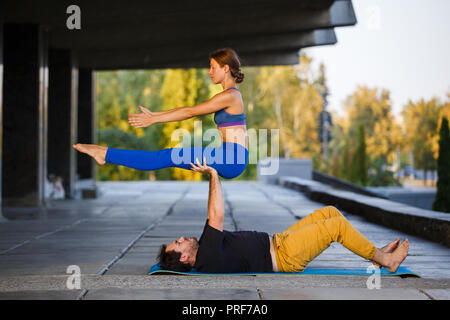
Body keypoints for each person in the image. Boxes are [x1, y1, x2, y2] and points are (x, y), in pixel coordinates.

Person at [158, 158, 410, 273]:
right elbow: (216, 213)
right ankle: (387, 261)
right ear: (184, 259)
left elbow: (214, 216)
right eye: (178, 244)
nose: (180, 238)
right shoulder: (206, 255)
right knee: (337, 227)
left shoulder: (204, 251)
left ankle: (375, 255)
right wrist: (213, 174)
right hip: (285, 255)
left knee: (330, 212)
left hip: (280, 241)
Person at [73, 48, 248, 179]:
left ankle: (105, 154)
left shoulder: (230, 96)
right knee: (166, 156)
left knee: (165, 156)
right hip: (228, 155)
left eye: (212, 68)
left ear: (225, 69)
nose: (209, 72)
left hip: (233, 159)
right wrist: (154, 116)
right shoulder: (229, 95)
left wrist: (154, 119)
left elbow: (189, 112)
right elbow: (188, 109)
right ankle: (105, 154)